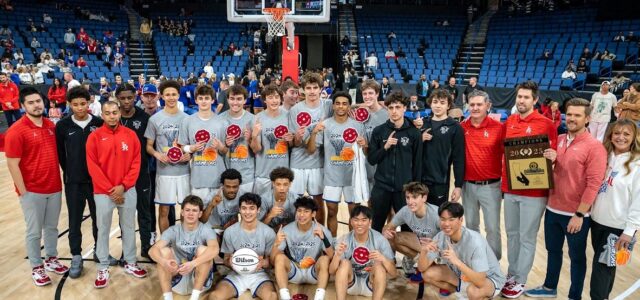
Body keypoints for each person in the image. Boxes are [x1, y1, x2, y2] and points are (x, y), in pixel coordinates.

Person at [525, 98, 608, 299]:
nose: (571, 118)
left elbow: (594, 184)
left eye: (577, 115)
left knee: (577, 258)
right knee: (553, 251)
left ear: (587, 119)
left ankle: (574, 296)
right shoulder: (560, 139)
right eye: (569, 114)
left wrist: (580, 214)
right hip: (552, 208)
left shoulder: (595, 147)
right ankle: (549, 288)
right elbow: (554, 171)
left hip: (575, 214)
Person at [500, 81, 558, 298]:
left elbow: (551, 155)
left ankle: (520, 280)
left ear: (535, 100)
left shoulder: (546, 124)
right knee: (512, 234)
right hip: (511, 189)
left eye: (526, 97)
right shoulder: (510, 121)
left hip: (534, 192)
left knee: (527, 236)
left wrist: (553, 157)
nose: (521, 100)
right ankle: (512, 273)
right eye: (519, 96)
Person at [6, 87, 68, 286]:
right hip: (32, 190)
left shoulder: (51, 125)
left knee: (51, 228)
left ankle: (51, 259)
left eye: (38, 101)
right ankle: (36, 267)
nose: (36, 105)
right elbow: (12, 163)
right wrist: (23, 192)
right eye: (31, 102)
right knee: (34, 232)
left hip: (54, 187)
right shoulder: (16, 130)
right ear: (23, 106)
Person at [86, 101, 147, 288]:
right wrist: (111, 190)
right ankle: (103, 266)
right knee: (102, 229)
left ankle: (130, 261)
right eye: (107, 113)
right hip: (103, 193)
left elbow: (136, 162)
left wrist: (124, 186)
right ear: (102, 115)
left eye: (114, 112)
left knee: (128, 227)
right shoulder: (94, 137)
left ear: (119, 113)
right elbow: (92, 166)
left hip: (127, 190)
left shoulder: (131, 135)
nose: (112, 116)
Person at [55, 87, 114, 278]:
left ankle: (100, 251)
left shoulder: (99, 123)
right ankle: (76, 256)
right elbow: (61, 156)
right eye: (75, 104)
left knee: (100, 220)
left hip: (97, 182)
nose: (80, 108)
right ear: (69, 105)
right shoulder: (63, 126)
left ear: (89, 103)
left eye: (83, 103)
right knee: (74, 220)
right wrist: (71, 172)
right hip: (74, 182)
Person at [589, 119, 640, 299]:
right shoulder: (604, 156)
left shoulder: (637, 165)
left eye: (626, 134)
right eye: (617, 133)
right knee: (607, 267)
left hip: (618, 228)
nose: (621, 137)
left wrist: (629, 231)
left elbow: (638, 202)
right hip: (596, 222)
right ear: (610, 136)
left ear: (634, 138)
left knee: (601, 268)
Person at [419, 202, 506, 299]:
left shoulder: (475, 242)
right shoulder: (440, 237)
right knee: (427, 274)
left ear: (461, 220)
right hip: (462, 275)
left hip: (489, 279)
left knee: (473, 292)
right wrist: (423, 251)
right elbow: (422, 268)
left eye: (451, 219)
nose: (446, 224)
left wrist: (456, 261)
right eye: (442, 219)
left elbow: (480, 282)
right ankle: (459, 292)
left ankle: (477, 295)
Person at [309, 92, 366, 236]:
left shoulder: (358, 126)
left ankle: (352, 244)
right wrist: (314, 133)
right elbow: (311, 150)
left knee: (354, 214)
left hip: (352, 178)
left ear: (349, 107)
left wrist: (364, 145)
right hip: (332, 177)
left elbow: (366, 153)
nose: (341, 106)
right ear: (333, 105)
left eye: (344, 103)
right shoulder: (325, 125)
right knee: (332, 212)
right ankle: (332, 245)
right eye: (338, 103)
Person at [367, 91, 422, 232]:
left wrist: (415, 190)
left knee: (408, 227)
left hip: (404, 189)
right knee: (376, 225)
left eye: (398, 107)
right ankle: (377, 253)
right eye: (391, 108)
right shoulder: (379, 131)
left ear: (404, 108)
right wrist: (385, 147)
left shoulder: (414, 133)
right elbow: (372, 159)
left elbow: (418, 163)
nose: (394, 111)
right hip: (381, 188)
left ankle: (407, 254)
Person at [460, 90, 504, 260]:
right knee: (471, 226)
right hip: (468, 185)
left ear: (488, 106)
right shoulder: (462, 127)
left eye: (479, 104)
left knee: (492, 227)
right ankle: (475, 259)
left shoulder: (499, 128)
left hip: (491, 186)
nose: (475, 108)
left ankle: (493, 263)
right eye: (472, 105)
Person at [207, 193, 278, 300]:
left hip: (258, 274)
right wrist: (230, 262)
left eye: (252, 208)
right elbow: (226, 259)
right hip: (236, 274)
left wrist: (263, 262)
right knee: (214, 296)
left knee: (272, 296)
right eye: (244, 208)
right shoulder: (230, 232)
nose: (247, 212)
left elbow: (270, 262)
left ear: (258, 210)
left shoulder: (268, 232)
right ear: (239, 209)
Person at [149, 195, 219, 300]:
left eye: (194, 210)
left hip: (199, 279)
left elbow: (214, 249)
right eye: (187, 210)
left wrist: (193, 264)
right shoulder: (173, 230)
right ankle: (168, 297)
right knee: (163, 252)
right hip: (177, 277)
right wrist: (164, 262)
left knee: (203, 250)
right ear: (182, 212)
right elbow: (152, 250)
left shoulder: (206, 229)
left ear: (200, 214)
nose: (190, 213)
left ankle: (194, 298)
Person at [145, 80, 192, 234]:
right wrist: (158, 154)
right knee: (164, 210)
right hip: (164, 173)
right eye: (168, 95)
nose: (171, 97)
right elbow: (149, 146)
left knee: (186, 209)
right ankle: (165, 243)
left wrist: (189, 154)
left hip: (183, 172)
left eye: (174, 94)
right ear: (162, 96)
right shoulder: (154, 120)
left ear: (178, 95)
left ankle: (186, 241)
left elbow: (191, 145)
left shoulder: (187, 119)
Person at [288, 72, 333, 225]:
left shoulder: (328, 106)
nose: (312, 91)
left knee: (318, 201)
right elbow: (294, 143)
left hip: (318, 162)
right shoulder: (295, 110)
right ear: (303, 90)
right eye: (308, 88)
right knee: (294, 202)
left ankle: (321, 236)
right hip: (298, 162)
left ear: (321, 89)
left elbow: (346, 107)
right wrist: (298, 137)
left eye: (315, 87)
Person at [115, 84, 154, 259]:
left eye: (129, 97)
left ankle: (146, 246)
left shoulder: (144, 118)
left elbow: (150, 146)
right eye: (122, 98)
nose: (126, 101)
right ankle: (127, 249)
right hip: (120, 176)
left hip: (141, 174)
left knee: (144, 212)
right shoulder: (113, 118)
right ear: (117, 99)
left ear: (135, 98)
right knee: (125, 214)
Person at [271, 196, 334, 300]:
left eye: (306, 211)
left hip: (313, 272)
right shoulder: (286, 230)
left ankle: (319, 297)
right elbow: (273, 261)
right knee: (279, 257)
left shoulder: (322, 230)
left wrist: (324, 239)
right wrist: (276, 244)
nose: (301, 215)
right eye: (299, 211)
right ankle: (285, 297)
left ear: (313, 214)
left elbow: (331, 257)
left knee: (325, 259)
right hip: (294, 271)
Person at [178, 85, 228, 212]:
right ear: (196, 100)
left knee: (219, 219)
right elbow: (182, 146)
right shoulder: (187, 121)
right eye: (201, 98)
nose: (204, 101)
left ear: (212, 100)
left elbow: (226, 151)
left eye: (207, 98)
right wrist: (192, 148)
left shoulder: (222, 121)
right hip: (198, 178)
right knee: (200, 216)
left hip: (218, 177)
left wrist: (220, 146)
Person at [330, 206, 397, 300]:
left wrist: (383, 259)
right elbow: (331, 272)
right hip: (350, 283)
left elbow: (394, 274)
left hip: (371, 284)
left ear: (370, 222)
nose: (359, 224)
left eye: (364, 220)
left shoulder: (380, 239)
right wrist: (336, 255)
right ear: (351, 221)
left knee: (378, 265)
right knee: (344, 262)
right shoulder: (344, 239)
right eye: (356, 220)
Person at [413, 89, 464, 206]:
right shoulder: (422, 124)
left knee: (437, 218)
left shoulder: (455, 127)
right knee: (418, 218)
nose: (438, 105)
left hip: (440, 181)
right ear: (430, 103)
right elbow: (409, 151)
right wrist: (419, 139)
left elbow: (459, 159)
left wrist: (458, 186)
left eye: (442, 102)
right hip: (419, 180)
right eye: (435, 102)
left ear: (448, 105)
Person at [382, 182, 440, 280]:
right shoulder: (406, 211)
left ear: (424, 198)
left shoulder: (436, 214)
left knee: (431, 272)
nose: (410, 201)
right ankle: (415, 260)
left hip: (436, 246)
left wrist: (435, 244)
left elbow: (450, 236)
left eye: (414, 197)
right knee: (391, 237)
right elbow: (389, 226)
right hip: (421, 244)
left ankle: (434, 265)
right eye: (408, 197)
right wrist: (385, 231)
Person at [252, 85, 294, 195]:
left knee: (282, 209)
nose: (274, 100)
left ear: (281, 99)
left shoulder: (289, 116)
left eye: (276, 97)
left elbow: (293, 145)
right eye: (270, 97)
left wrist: (290, 140)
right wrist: (254, 136)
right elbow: (256, 149)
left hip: (283, 175)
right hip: (263, 174)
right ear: (264, 100)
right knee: (261, 209)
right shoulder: (257, 118)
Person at [220, 85, 256, 194]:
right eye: (232, 99)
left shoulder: (252, 119)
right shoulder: (220, 119)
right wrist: (225, 144)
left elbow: (257, 150)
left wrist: (250, 139)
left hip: (247, 174)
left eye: (239, 99)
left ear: (245, 100)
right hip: (226, 174)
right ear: (228, 99)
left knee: (247, 209)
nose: (235, 103)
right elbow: (218, 150)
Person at [359, 80, 389, 189]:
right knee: (370, 199)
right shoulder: (359, 114)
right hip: (367, 165)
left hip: (384, 166)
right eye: (364, 94)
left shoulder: (388, 114)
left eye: (370, 93)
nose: (367, 97)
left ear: (377, 94)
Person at [199, 169, 242, 237]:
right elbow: (202, 221)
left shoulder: (243, 196)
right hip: (214, 229)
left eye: (235, 187)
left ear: (239, 185)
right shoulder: (213, 195)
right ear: (222, 185)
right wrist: (211, 205)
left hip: (232, 229)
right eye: (228, 186)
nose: (231, 190)